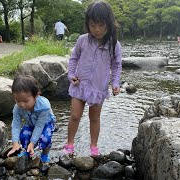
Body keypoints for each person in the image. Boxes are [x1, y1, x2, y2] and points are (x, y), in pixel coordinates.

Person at [63, 1, 122, 156]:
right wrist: (71, 75)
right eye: (93, 25)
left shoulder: (114, 45)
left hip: (98, 87)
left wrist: (115, 83)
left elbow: (116, 66)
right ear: (87, 24)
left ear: (109, 23)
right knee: (75, 116)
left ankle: (93, 146)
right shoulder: (83, 40)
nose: (97, 30)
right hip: (79, 84)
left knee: (94, 118)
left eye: (101, 25)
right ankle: (69, 144)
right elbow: (74, 58)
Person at [7, 75, 56, 163]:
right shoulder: (17, 108)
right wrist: (15, 143)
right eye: (18, 101)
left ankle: (45, 154)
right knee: (24, 135)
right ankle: (28, 152)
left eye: (26, 101)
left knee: (45, 138)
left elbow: (39, 127)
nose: (22, 104)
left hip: (45, 123)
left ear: (36, 95)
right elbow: (16, 125)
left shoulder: (44, 107)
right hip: (31, 122)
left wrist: (32, 143)